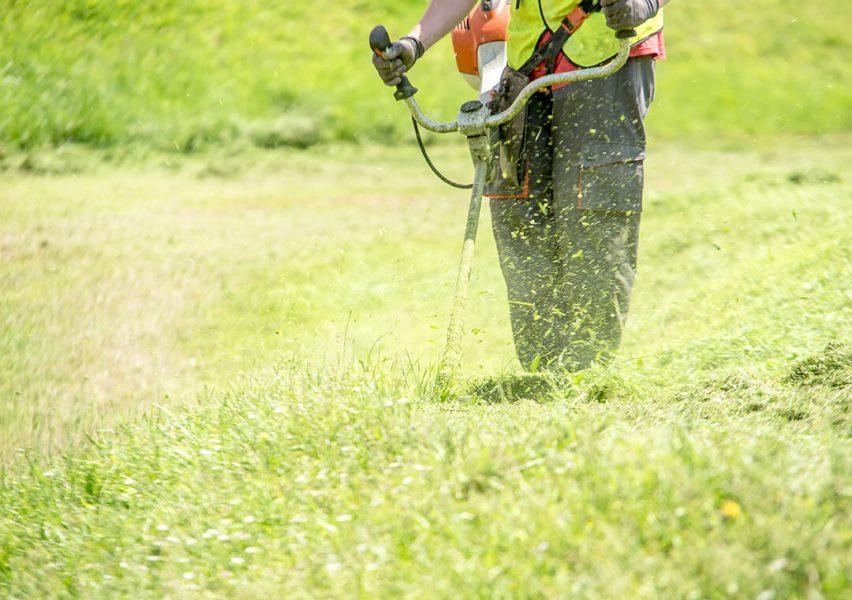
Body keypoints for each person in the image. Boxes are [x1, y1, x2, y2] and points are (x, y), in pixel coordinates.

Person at [373, 0, 669, 371]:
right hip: (527, 62)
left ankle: (587, 374)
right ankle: (540, 371)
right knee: (520, 221)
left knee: (592, 219)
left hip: (609, 52)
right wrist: (414, 42)